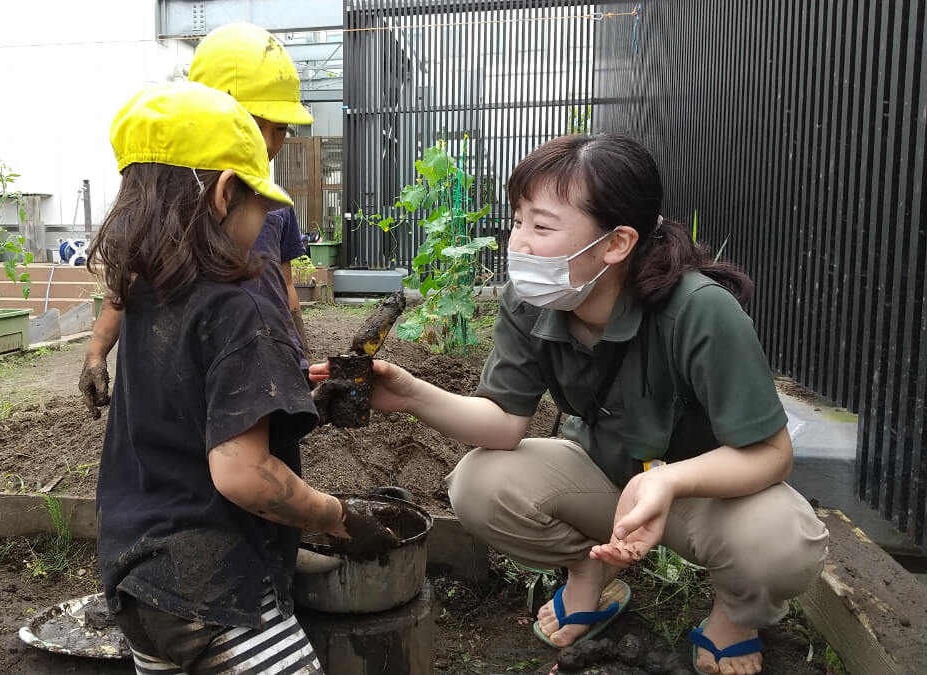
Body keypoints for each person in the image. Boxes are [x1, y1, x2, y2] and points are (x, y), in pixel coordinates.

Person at [310, 134, 829, 675]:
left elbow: (771, 454)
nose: (519, 244)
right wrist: (412, 393)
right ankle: (588, 571)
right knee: (479, 483)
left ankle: (734, 619)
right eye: (517, 221)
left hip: (704, 499)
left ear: (616, 243)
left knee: (783, 542)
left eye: (542, 226)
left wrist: (670, 481)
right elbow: (505, 423)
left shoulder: (701, 312)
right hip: (605, 483)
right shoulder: (530, 303)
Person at [91, 81, 394, 675]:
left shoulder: (146, 292)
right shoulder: (240, 307)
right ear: (228, 193)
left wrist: (298, 397)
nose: (265, 225)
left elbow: (191, 405)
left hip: (134, 581)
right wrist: (337, 518)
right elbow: (244, 474)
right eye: (264, 207)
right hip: (215, 592)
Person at [79, 23, 313, 418]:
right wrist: (96, 352)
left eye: (281, 130)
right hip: (186, 380)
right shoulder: (164, 209)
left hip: (256, 367)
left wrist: (297, 354)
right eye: (256, 126)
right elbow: (124, 286)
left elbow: (284, 284)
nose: (270, 144)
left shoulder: (276, 207)